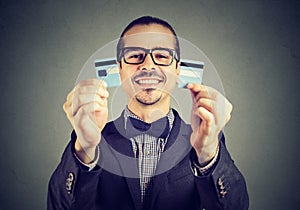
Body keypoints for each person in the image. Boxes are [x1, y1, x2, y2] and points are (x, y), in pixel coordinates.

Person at [48, 16, 249, 210]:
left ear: (177, 69)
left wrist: (207, 152)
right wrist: (85, 148)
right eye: (135, 55)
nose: (148, 65)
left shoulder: (207, 139)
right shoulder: (91, 141)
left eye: (162, 56)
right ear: (120, 68)